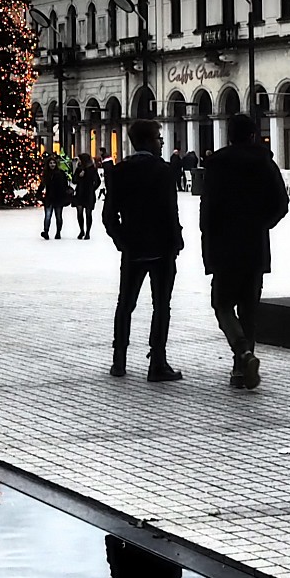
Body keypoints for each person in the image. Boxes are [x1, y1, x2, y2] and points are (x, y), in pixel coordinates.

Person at [198, 112, 290, 389]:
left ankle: (242, 352)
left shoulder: (216, 164)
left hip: (224, 244)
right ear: (253, 135)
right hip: (254, 244)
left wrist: (209, 242)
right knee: (249, 308)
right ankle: (241, 369)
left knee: (222, 304)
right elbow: (282, 203)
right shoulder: (264, 163)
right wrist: (262, 224)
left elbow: (207, 210)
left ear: (229, 135)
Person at [100, 119, 183, 382]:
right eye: (158, 138)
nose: (161, 142)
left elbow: (109, 215)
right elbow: (171, 212)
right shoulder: (165, 171)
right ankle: (157, 360)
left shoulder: (120, 171)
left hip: (133, 250)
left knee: (125, 304)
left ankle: (119, 359)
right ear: (148, 141)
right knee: (162, 306)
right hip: (162, 249)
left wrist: (122, 241)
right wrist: (176, 241)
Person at [39, 150, 73, 239]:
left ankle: (58, 232)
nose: (52, 165)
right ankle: (46, 231)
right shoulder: (46, 174)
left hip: (59, 197)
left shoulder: (61, 173)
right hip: (49, 198)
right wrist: (39, 194)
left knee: (58, 216)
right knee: (47, 216)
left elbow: (65, 185)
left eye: (54, 163)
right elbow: (42, 185)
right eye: (51, 163)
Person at [72, 154, 101, 241]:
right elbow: (74, 180)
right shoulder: (78, 169)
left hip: (89, 194)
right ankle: (81, 230)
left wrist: (92, 189)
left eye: (80, 159)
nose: (79, 161)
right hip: (80, 193)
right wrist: (79, 176)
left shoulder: (92, 170)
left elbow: (98, 181)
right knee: (79, 212)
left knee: (88, 213)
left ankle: (88, 232)